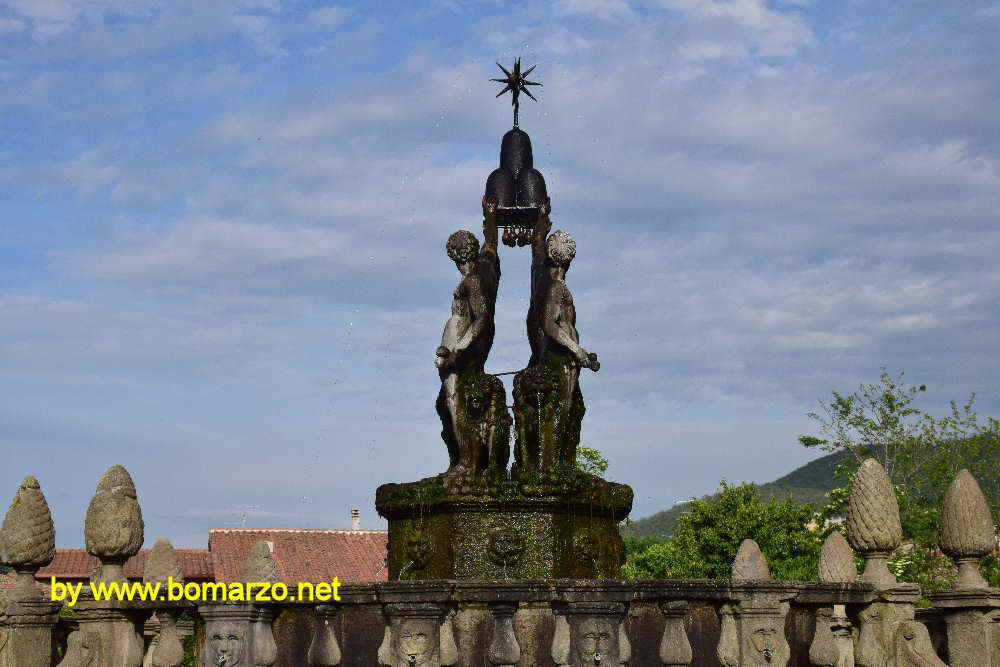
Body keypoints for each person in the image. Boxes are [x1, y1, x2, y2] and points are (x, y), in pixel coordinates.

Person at [434, 196, 501, 476]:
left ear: (455, 255)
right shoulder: (488, 266)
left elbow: (482, 316)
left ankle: (466, 462)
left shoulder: (471, 280)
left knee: (453, 399)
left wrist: (457, 349)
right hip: (470, 341)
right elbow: (492, 244)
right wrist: (491, 217)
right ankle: (467, 460)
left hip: (461, 339)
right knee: (446, 402)